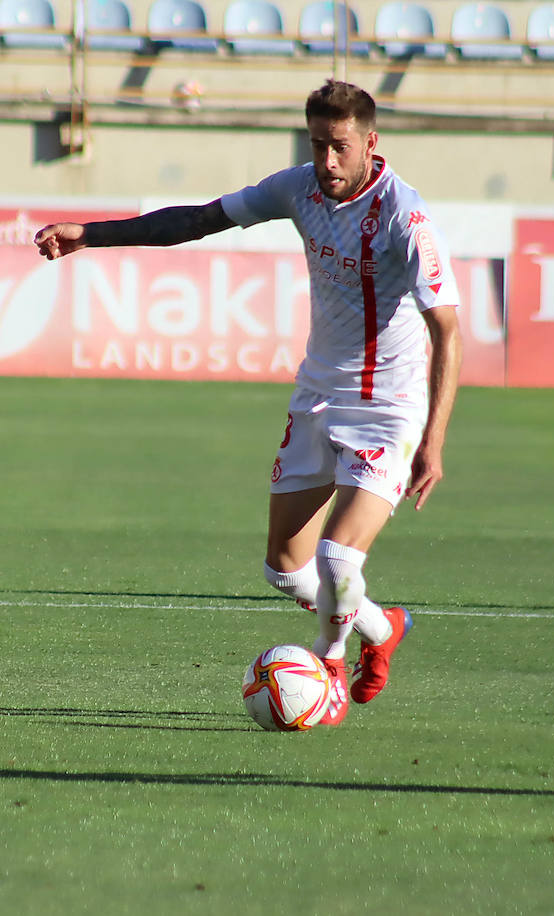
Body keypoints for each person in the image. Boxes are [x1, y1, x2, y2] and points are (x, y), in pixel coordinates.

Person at [34, 80, 462, 726]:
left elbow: (447, 331)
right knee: (287, 571)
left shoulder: (406, 217)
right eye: (316, 145)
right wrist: (90, 234)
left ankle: (329, 664)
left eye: (339, 147)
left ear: (371, 143)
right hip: (318, 395)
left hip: (388, 406)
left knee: (338, 558)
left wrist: (433, 440)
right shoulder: (298, 189)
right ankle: (383, 627)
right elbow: (197, 221)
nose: (326, 161)